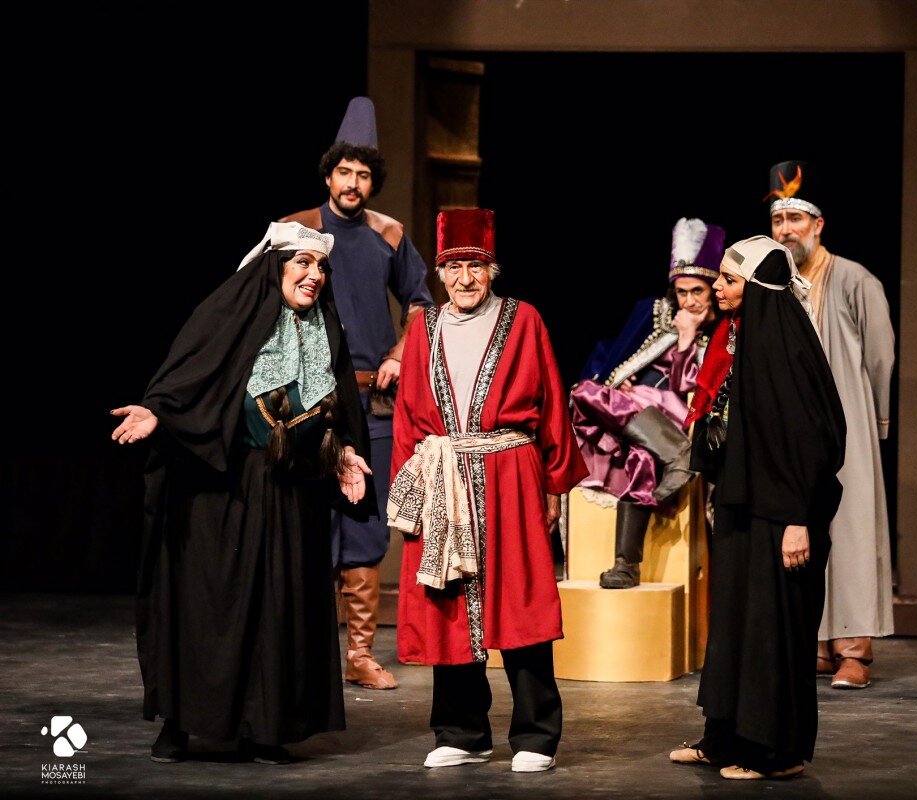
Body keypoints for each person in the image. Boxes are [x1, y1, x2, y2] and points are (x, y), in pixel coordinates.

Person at [110, 221, 374, 765]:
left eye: (321, 266)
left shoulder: (326, 330)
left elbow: (334, 407)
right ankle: (182, 724)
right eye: (302, 263)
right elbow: (191, 378)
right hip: (222, 491)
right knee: (213, 609)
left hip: (290, 494)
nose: (314, 275)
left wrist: (342, 453)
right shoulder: (231, 317)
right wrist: (158, 412)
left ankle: (266, 726)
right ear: (274, 268)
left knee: (280, 608)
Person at [387, 208, 587, 773]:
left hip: (510, 475)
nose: (465, 279)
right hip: (443, 477)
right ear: (440, 273)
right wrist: (411, 493)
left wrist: (553, 485)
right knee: (448, 604)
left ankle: (536, 736)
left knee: (520, 604)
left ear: (492, 270)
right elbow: (407, 418)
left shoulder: (523, 319)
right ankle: (463, 731)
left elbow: (550, 400)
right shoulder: (422, 328)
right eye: (453, 267)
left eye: (475, 266)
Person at [670, 237, 846, 780]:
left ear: (758, 286)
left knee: (772, 633)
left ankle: (775, 752)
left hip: (782, 516)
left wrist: (797, 519)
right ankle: (724, 737)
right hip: (746, 508)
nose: (718, 287)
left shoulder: (784, 344)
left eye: (729, 279)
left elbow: (813, 440)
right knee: (734, 627)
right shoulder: (741, 336)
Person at [280, 96, 433, 690]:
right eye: (345, 171)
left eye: (364, 174)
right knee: (308, 521)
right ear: (328, 175)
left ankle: (361, 655)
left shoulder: (388, 234)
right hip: (308, 403)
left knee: (366, 523)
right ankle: (303, 651)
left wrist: (398, 354)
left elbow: (421, 302)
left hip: (371, 404)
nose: (353, 182)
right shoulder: (299, 229)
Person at [767, 159, 895, 689]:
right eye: (778, 221)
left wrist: (877, 419)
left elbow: (881, 355)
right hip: (797, 426)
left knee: (852, 527)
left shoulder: (854, 279)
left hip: (848, 423)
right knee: (803, 526)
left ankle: (854, 649)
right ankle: (815, 642)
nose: (786, 230)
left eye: (796, 219)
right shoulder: (773, 283)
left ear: (819, 226)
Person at [571, 217, 724, 588]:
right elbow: (617, 356)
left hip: (673, 414)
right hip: (633, 418)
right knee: (584, 393)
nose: (688, 301)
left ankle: (627, 563)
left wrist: (687, 339)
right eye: (682, 292)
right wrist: (619, 384)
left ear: (712, 290)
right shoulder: (654, 313)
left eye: (697, 292)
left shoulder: (721, 330)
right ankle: (674, 456)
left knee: (639, 457)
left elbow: (690, 385)